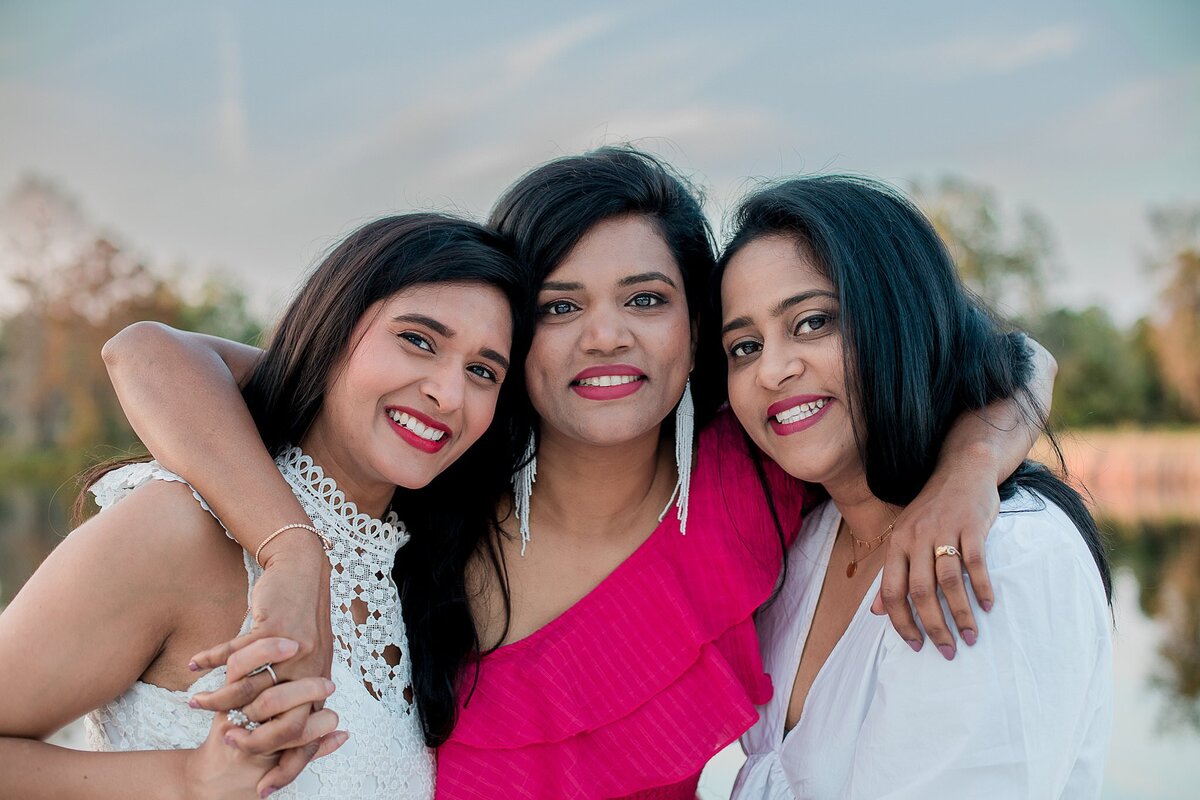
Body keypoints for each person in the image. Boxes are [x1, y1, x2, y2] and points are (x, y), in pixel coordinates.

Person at [101, 148, 1055, 799]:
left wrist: (966, 472)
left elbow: (1011, 359)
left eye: (647, 298)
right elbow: (149, 354)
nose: (607, 336)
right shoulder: (435, 474)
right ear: (513, 339)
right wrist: (292, 549)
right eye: (560, 307)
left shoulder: (756, 466)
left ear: (695, 332)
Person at [0, 213, 526, 799]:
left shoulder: (427, 579)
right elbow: (145, 350)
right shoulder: (180, 530)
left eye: (482, 371)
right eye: (418, 340)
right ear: (335, 332)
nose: (448, 394)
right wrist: (187, 781)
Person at [717, 175, 1113, 798]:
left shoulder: (1001, 557)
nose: (772, 369)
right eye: (743, 346)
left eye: (813, 321)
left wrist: (971, 468)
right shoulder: (803, 534)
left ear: (896, 317)